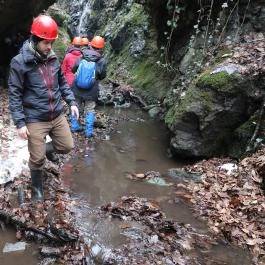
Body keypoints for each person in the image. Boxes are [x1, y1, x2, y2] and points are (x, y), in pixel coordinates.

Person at [8, 14, 79, 201]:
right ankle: (37, 189)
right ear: (36, 39)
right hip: (34, 117)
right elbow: (14, 94)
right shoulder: (19, 62)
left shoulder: (53, 58)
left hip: (56, 113)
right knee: (37, 159)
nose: (49, 47)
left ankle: (46, 149)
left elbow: (62, 83)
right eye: (46, 43)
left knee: (67, 146)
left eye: (52, 43)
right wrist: (20, 123)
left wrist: (72, 102)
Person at [71, 35, 107, 137]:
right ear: (101, 48)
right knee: (90, 109)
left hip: (77, 88)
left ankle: (74, 127)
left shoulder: (81, 56)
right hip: (91, 90)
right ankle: (88, 132)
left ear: (91, 45)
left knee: (76, 106)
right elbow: (102, 76)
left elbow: (73, 69)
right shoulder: (101, 60)